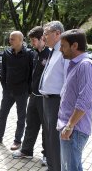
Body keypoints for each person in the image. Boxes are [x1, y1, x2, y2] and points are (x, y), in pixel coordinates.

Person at [57, 29, 92, 171]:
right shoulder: (75, 65)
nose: (60, 50)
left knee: (70, 168)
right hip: (69, 128)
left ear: (74, 46)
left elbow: (84, 101)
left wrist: (69, 126)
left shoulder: (85, 65)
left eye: (63, 46)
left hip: (74, 129)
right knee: (71, 167)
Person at [0, 31, 34, 151]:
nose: (10, 41)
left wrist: (28, 91)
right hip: (8, 91)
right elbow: (3, 70)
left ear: (20, 40)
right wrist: (4, 86)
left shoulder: (29, 54)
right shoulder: (6, 53)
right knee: (2, 115)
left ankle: (17, 141)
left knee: (21, 117)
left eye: (12, 39)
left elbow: (31, 74)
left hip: (22, 92)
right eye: (10, 39)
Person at [12, 26, 50, 166]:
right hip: (33, 96)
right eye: (32, 40)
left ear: (42, 39)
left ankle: (47, 155)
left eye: (34, 40)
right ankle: (27, 151)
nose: (32, 43)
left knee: (46, 128)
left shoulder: (50, 54)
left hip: (45, 98)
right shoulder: (35, 54)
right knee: (31, 124)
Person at [39, 21, 69, 171]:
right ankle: (52, 167)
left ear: (57, 34)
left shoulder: (64, 52)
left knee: (55, 141)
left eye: (46, 33)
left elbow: (68, 81)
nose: (43, 37)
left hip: (56, 101)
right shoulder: (53, 51)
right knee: (48, 138)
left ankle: (56, 168)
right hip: (46, 100)